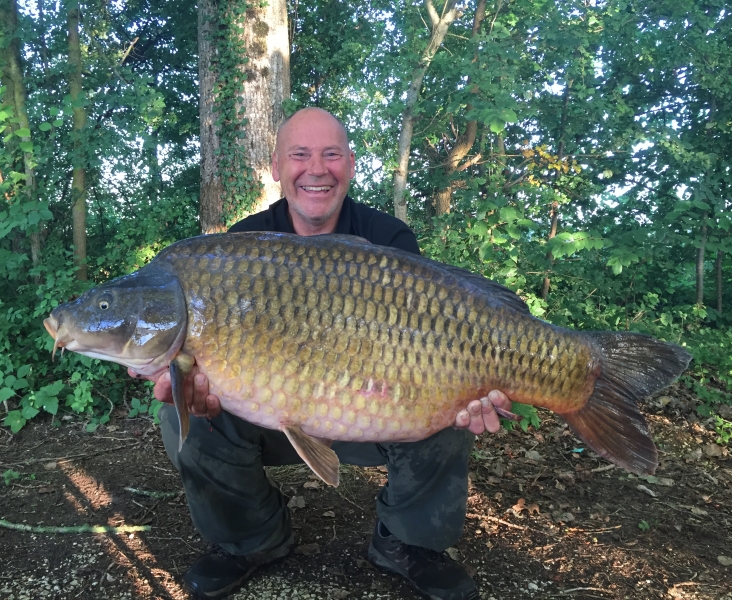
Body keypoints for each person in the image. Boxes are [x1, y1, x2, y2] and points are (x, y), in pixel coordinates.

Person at [131, 107, 513, 600]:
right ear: (275, 167)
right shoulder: (240, 248)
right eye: (300, 155)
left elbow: (431, 341)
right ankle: (253, 539)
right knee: (180, 413)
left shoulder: (389, 238)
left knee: (447, 406)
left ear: (350, 164)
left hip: (375, 410)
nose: (316, 168)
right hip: (268, 413)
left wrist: (469, 389)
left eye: (331, 155)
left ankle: (408, 543)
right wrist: (195, 389)